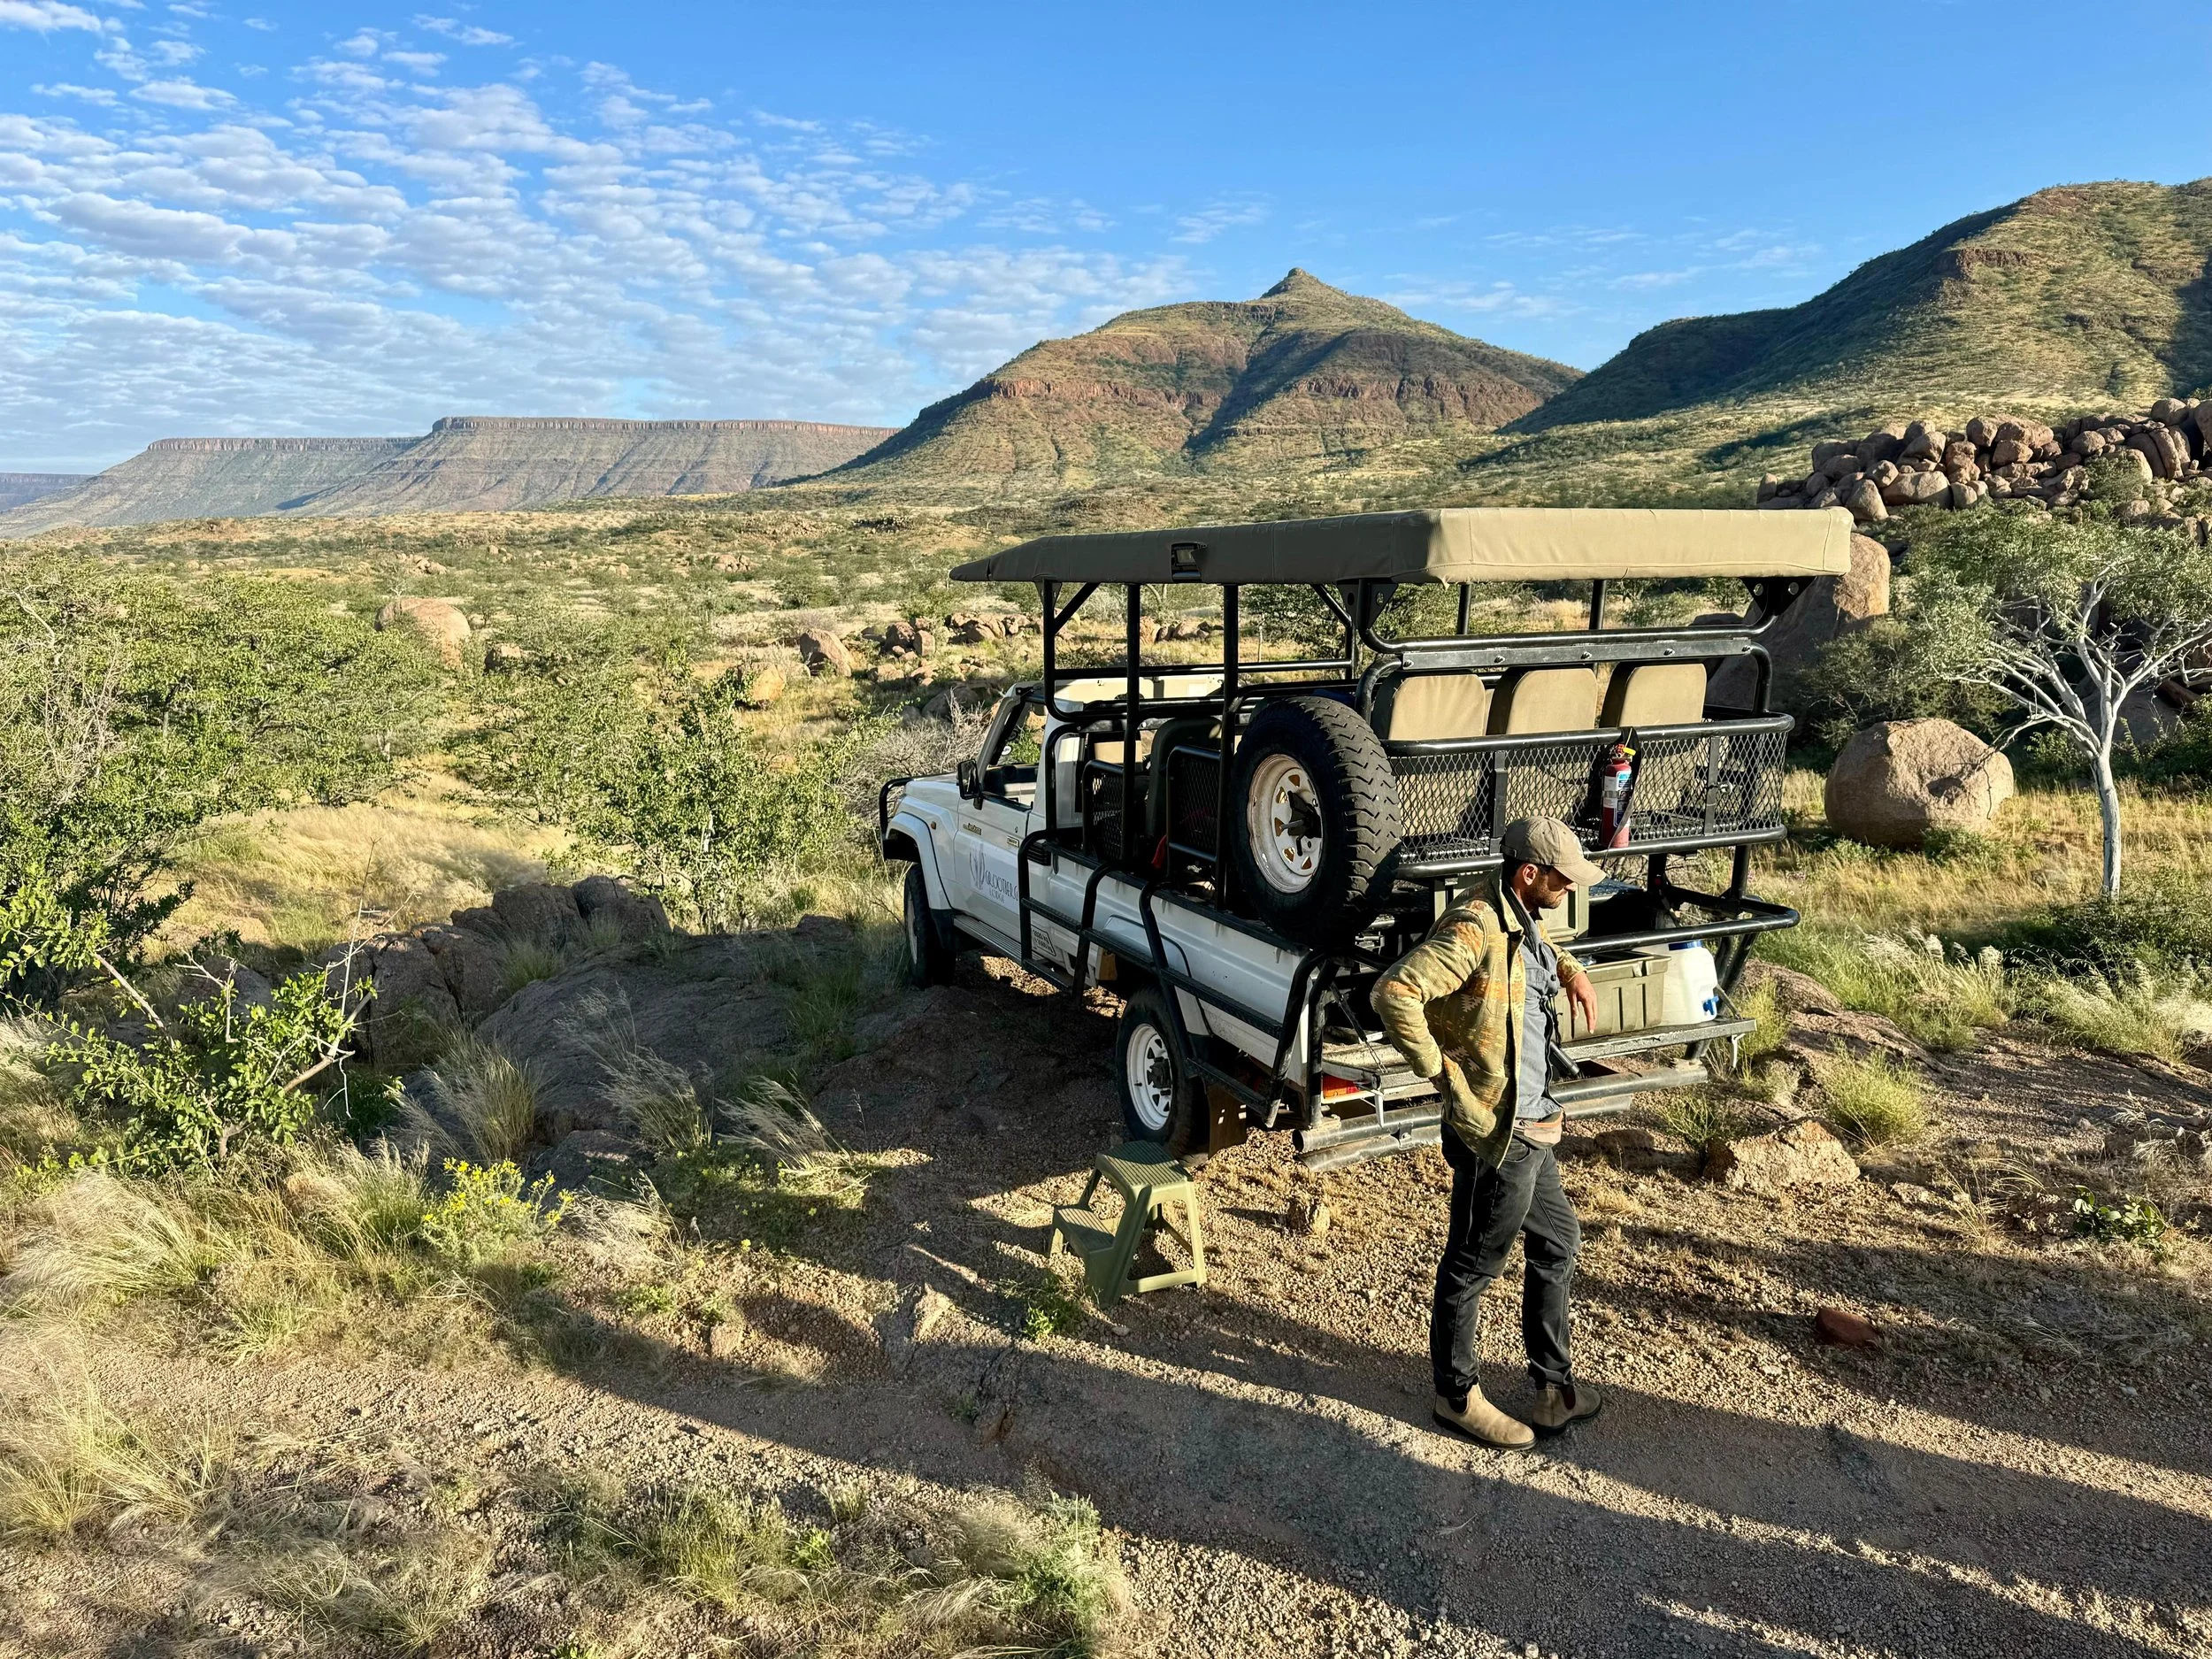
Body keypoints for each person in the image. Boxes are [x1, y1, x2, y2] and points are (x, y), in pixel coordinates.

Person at [1372, 816, 1607, 1448]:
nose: (1568, 890)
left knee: (1559, 1240)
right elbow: (1394, 992)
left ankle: (1552, 1389)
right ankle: (1456, 1396)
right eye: (1562, 881)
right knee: (1472, 1265)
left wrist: (1569, 967)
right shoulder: (1476, 925)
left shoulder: (1517, 910)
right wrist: (1442, 1075)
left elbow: (1535, 940)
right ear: (1530, 874)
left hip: (1536, 1126)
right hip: (1498, 1133)